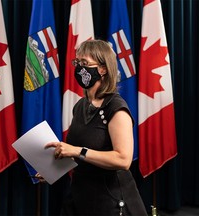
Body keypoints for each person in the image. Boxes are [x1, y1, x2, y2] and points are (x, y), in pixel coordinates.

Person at [38, 39, 147, 216]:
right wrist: (52, 169)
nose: (79, 68)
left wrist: (76, 151)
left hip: (110, 202)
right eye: (77, 63)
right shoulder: (80, 106)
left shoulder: (116, 107)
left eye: (85, 63)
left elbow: (123, 160)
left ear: (103, 69)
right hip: (81, 197)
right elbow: (77, 153)